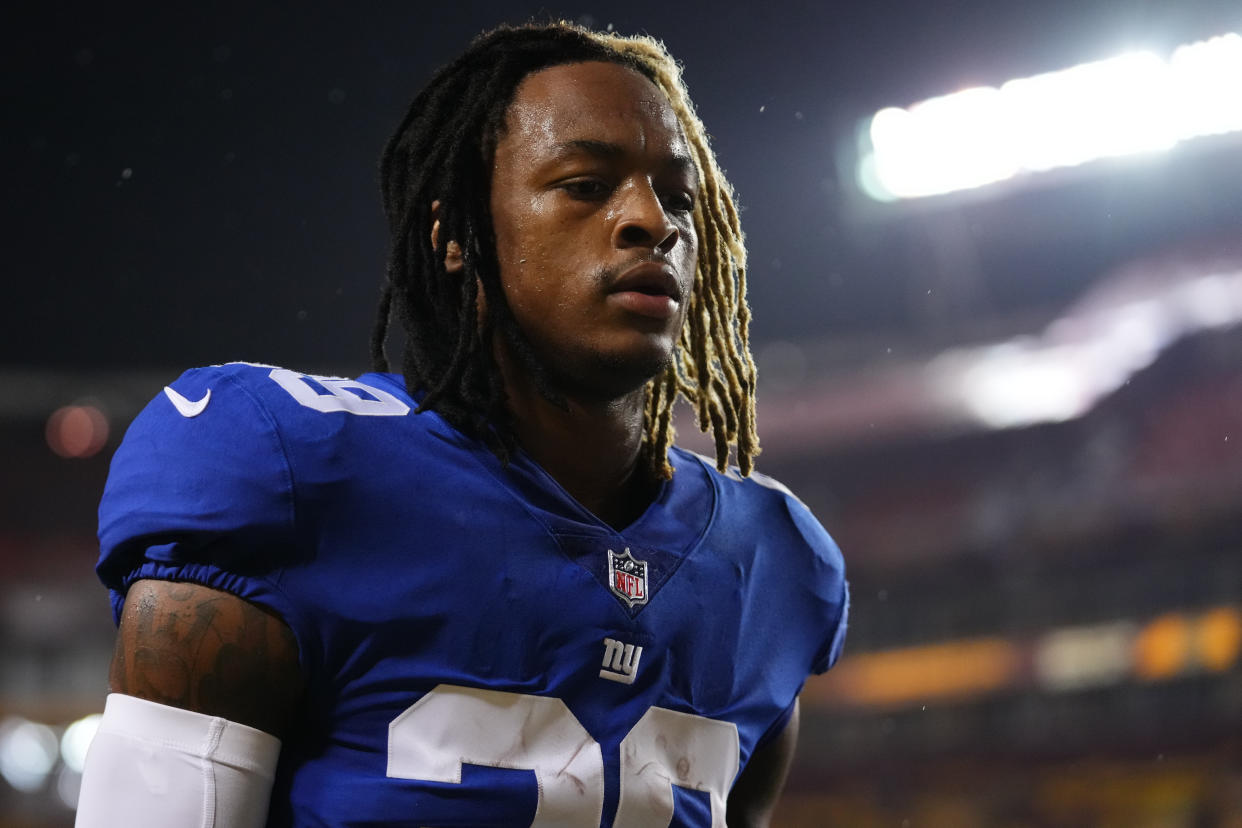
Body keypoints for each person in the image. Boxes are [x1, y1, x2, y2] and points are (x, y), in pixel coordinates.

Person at [77, 21, 848, 828]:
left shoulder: (773, 560)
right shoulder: (290, 471)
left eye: (678, 196)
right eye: (586, 184)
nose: (653, 221)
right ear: (454, 236)